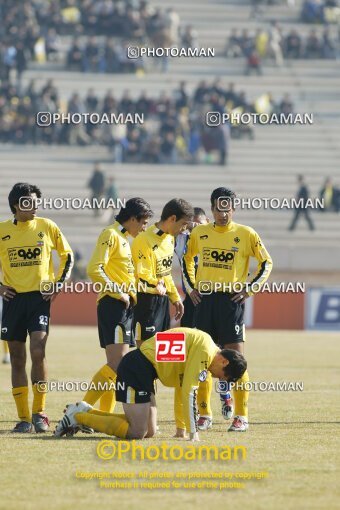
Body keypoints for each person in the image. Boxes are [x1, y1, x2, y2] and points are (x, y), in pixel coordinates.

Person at [182, 187, 273, 432]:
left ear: (233, 209)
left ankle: (242, 416)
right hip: (204, 301)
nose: (223, 214)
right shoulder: (199, 232)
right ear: (212, 209)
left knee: (237, 359)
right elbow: (186, 259)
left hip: (230, 302)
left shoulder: (246, 234)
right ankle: (204, 414)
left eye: (228, 209)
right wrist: (191, 287)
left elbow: (266, 262)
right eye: (219, 209)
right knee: (201, 358)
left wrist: (250, 289)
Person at [54, 327, 247, 441]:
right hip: (135, 369)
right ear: (224, 361)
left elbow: (183, 387)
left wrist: (183, 429)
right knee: (137, 431)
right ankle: (78, 417)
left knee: (150, 431)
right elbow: (190, 391)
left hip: (145, 371)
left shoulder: (205, 346)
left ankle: (85, 411)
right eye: (223, 376)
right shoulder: (205, 352)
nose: (217, 378)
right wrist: (193, 432)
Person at [0, 183, 73, 432]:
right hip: (13, 300)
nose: (35, 206)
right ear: (15, 206)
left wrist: (58, 283)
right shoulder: (2, 231)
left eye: (36, 202)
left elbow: (68, 255)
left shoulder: (47, 226)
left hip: (38, 300)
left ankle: (39, 413)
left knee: (38, 351)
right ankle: (22, 419)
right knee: (17, 358)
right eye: (28, 202)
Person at [82, 198, 153, 414]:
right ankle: (81, 410)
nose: (145, 227)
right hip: (113, 305)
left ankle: (103, 415)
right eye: (143, 222)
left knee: (116, 367)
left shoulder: (124, 239)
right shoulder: (110, 235)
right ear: (132, 218)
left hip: (124, 307)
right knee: (117, 365)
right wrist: (117, 291)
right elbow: (94, 268)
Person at [131, 199, 194, 346]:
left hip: (162, 300)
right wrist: (156, 282)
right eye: (183, 224)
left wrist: (175, 297)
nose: (184, 229)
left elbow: (166, 274)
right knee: (146, 353)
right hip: (145, 301)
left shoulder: (170, 239)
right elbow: (142, 272)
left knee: (163, 355)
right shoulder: (143, 239)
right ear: (172, 218)